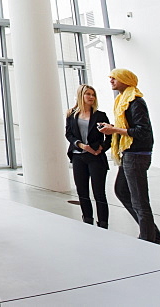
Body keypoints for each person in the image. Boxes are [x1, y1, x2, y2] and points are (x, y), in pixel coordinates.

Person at [98, 68, 160, 245]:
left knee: (139, 200)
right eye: (110, 78)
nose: (111, 80)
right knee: (121, 191)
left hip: (137, 155)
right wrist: (113, 127)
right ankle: (153, 235)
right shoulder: (122, 100)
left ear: (126, 80)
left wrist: (114, 130)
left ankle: (149, 239)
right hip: (129, 153)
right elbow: (130, 127)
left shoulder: (135, 101)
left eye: (115, 78)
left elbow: (143, 132)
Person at [64, 84, 110, 228]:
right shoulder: (71, 114)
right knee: (82, 192)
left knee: (99, 193)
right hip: (78, 157)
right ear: (80, 96)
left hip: (96, 157)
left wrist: (101, 149)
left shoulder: (100, 115)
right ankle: (87, 221)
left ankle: (103, 224)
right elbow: (69, 134)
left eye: (93, 94)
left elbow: (110, 136)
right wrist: (81, 145)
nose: (91, 97)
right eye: (88, 94)